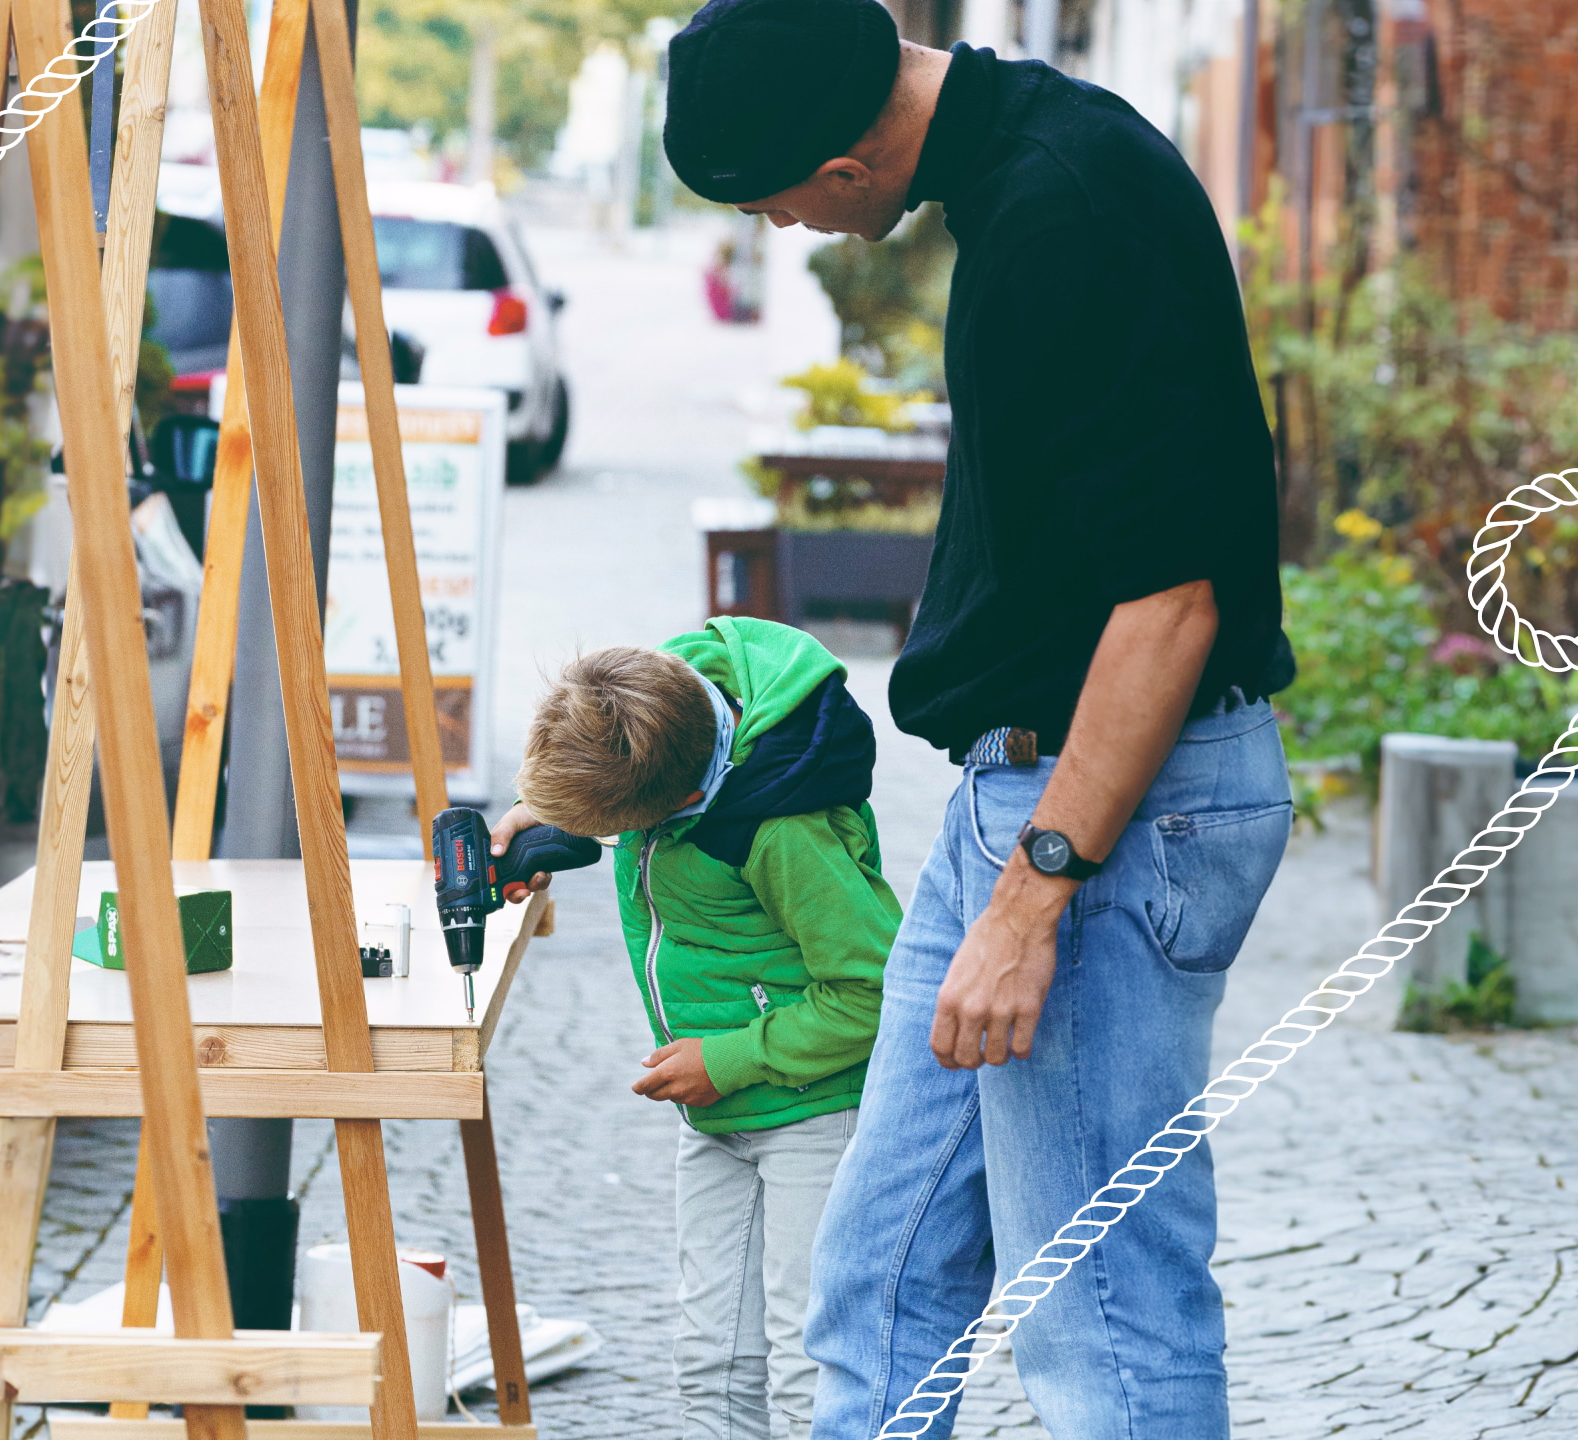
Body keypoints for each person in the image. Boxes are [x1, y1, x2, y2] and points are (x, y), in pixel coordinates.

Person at [660, 2, 1302, 1437]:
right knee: (878, 1276)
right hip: (1016, 796)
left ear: (839, 164)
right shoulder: (1024, 170)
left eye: (765, 202)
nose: (776, 229)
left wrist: (1036, 898)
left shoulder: (1067, 215)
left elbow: (1171, 605)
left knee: (1105, 1312)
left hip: (1114, 816)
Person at [493, 617, 900, 1440]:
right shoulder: (658, 710)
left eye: (617, 827)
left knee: (805, 1363)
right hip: (718, 1111)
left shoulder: (779, 831)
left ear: (675, 804)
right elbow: (614, 774)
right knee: (709, 1360)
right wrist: (549, 813)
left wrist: (728, 1058)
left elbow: (876, 988)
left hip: (813, 1114)